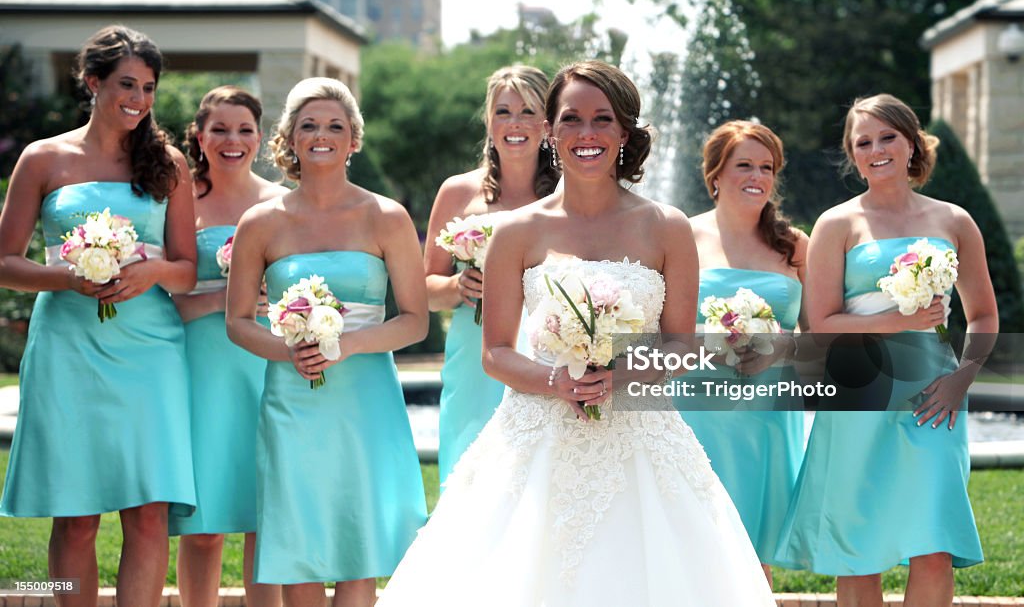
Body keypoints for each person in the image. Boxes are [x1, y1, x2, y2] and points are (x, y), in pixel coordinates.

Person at [377, 61, 777, 606]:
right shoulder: (517, 232)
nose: (586, 134)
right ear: (550, 130)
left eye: (602, 119)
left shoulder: (667, 226)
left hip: (641, 430)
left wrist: (623, 374)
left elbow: (682, 343)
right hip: (538, 430)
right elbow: (495, 352)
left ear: (624, 132)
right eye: (571, 119)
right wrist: (556, 381)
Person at [0, 25, 197, 607]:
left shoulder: (170, 165)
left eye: (149, 87)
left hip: (149, 348)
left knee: (148, 509)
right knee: (77, 514)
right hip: (68, 346)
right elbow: (5, 262)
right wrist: (68, 276)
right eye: (127, 84)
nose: (138, 98)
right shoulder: (44, 159)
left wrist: (152, 273)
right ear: (93, 83)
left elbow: (186, 268)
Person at [775, 94, 997, 606]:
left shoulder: (955, 221)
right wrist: (900, 320)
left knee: (935, 542)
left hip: (933, 394)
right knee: (858, 544)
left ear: (911, 141)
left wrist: (962, 379)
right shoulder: (837, 223)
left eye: (887, 137)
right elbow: (823, 324)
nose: (876, 150)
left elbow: (984, 315)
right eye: (862, 142)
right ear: (852, 155)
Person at [225, 77, 428, 607]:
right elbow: (239, 322)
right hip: (292, 398)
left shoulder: (386, 216)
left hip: (365, 397)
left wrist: (351, 345)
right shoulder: (261, 222)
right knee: (299, 539)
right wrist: (287, 351)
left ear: (353, 140)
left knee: (358, 540)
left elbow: (414, 320)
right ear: (289, 138)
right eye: (309, 125)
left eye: (335, 126)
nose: (322, 135)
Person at [169, 87, 286, 607]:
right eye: (219, 129)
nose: (231, 140)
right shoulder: (177, 201)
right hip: (199, 369)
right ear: (199, 136)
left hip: (264, 366)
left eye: (243, 130)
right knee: (205, 525)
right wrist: (223, 300)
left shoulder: (281, 204)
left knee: (266, 522)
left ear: (259, 138)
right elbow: (156, 303)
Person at [679, 120, 809, 587]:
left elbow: (821, 339)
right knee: (692, 545)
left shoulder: (795, 247)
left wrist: (781, 345)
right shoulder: (681, 238)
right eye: (744, 166)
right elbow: (653, 334)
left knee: (753, 557)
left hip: (766, 416)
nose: (757, 176)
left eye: (767, 167)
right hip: (696, 410)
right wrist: (710, 339)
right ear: (715, 175)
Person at [424, 64, 558, 485]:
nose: (514, 124)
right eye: (503, 111)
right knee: (470, 471)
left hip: (546, 349)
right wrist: (456, 285)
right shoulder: (458, 192)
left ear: (547, 124)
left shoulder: (565, 196)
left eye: (527, 111)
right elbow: (425, 289)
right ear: (489, 120)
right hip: (474, 352)